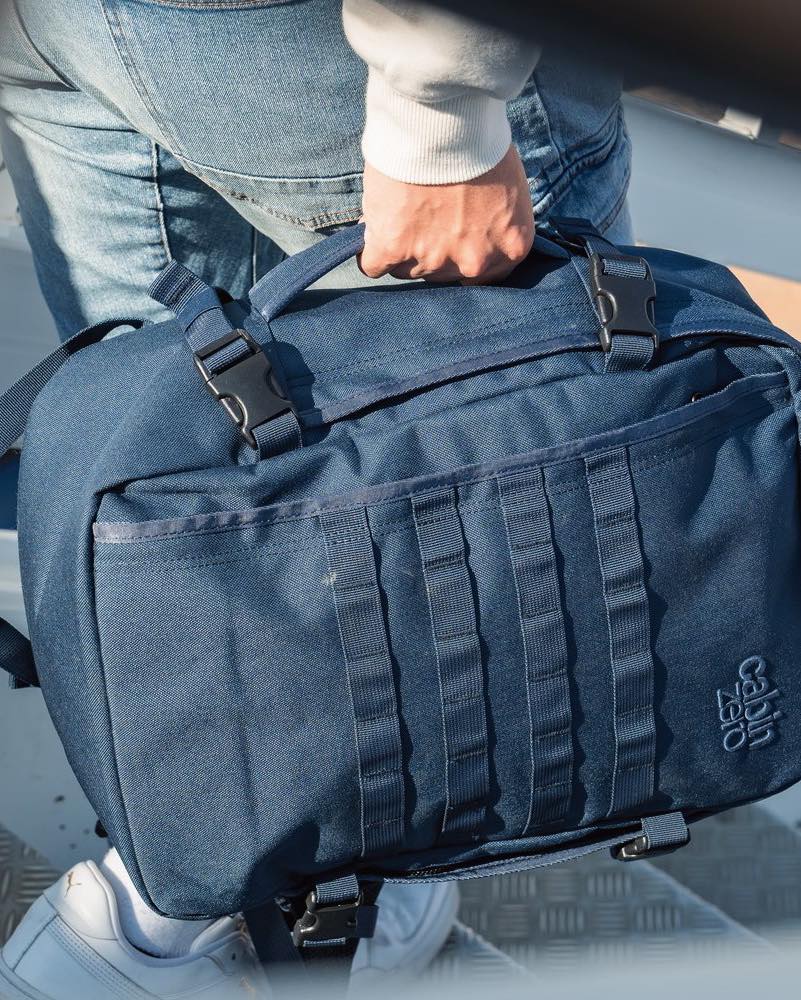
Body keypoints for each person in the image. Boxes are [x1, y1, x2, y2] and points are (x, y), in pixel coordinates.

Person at [0, 0, 633, 995]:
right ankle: (350, 872)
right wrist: (444, 108)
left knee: (180, 493)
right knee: (534, 471)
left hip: (60, 27)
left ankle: (178, 911)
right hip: (323, 39)